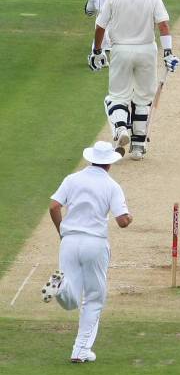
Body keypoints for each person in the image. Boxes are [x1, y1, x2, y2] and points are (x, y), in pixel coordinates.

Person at [41, 141, 133, 363]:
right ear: (109, 164)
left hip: (69, 242)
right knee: (93, 298)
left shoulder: (72, 179)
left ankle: (59, 286)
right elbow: (122, 221)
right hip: (95, 244)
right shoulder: (112, 186)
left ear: (91, 159)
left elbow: (54, 206)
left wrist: (62, 232)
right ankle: (80, 350)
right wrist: (129, 218)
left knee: (71, 300)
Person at [88, 0, 180, 160]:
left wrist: (97, 50)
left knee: (117, 97)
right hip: (147, 50)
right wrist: (168, 52)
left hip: (120, 50)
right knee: (143, 98)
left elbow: (100, 26)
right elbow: (163, 26)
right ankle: (138, 146)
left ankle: (121, 129)